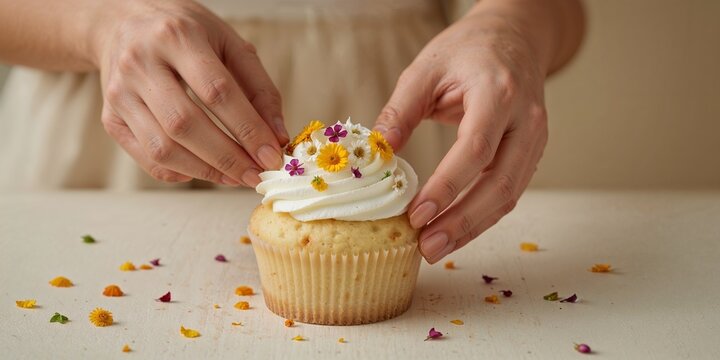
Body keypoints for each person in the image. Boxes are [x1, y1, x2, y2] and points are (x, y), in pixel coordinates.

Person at [0, 0, 584, 263]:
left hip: (383, 127)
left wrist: (509, 28)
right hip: (106, 122)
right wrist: (98, 22)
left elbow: (559, 9)